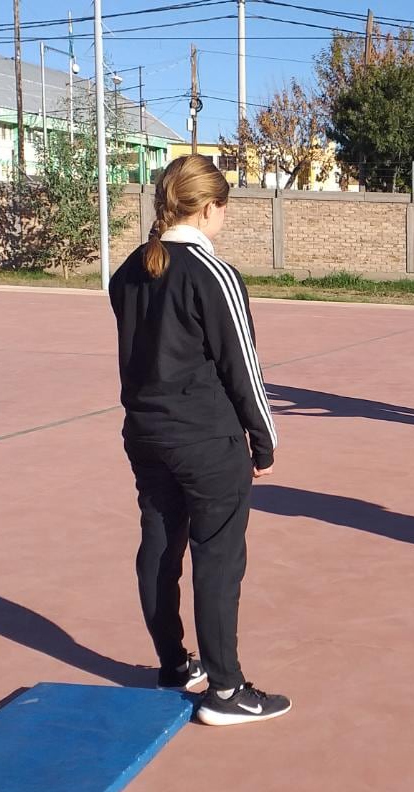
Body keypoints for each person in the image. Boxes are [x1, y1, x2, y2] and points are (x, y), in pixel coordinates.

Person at [109, 154, 291, 725]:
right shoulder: (213, 273)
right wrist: (264, 441)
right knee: (218, 558)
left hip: (145, 434)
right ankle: (227, 691)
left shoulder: (129, 270)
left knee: (160, 547)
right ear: (210, 207)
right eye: (224, 209)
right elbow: (243, 366)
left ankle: (173, 663)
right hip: (205, 442)